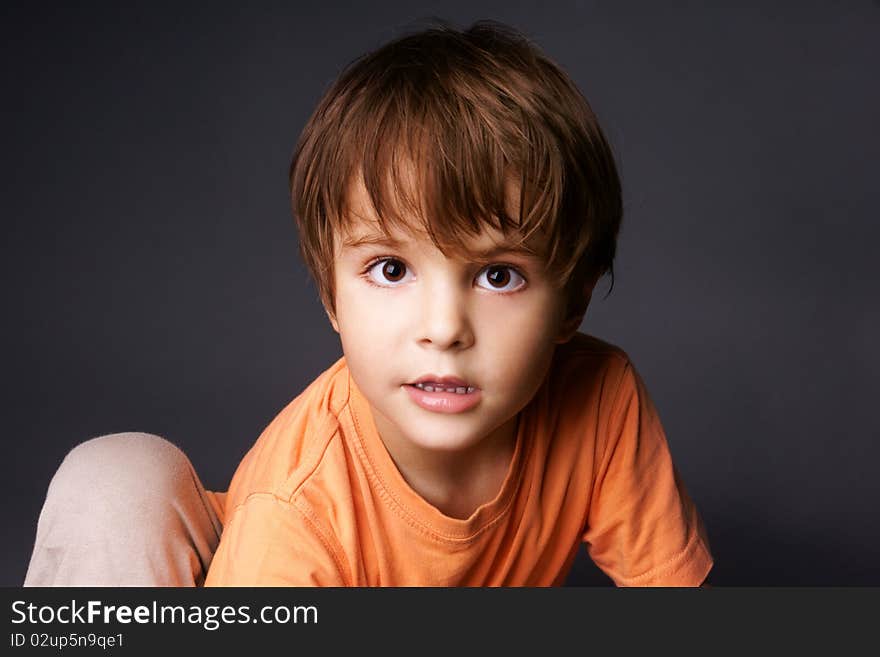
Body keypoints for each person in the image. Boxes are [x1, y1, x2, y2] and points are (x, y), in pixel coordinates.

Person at [25, 20, 713, 587]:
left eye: (499, 276)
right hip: (233, 583)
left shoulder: (602, 399)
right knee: (116, 481)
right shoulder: (297, 513)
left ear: (573, 302)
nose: (443, 329)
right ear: (331, 293)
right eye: (391, 268)